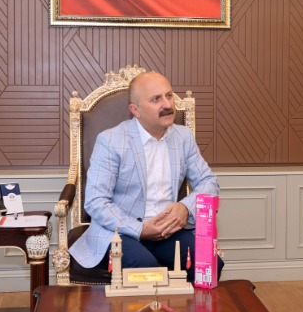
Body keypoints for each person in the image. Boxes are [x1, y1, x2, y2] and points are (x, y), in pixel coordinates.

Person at [69, 71, 223, 282]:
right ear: (135, 110)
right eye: (156, 99)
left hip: (168, 231)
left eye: (169, 96)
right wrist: (140, 229)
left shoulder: (183, 137)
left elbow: (209, 183)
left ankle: (185, 306)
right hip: (121, 231)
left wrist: (185, 208)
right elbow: (96, 201)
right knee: (145, 269)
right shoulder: (111, 141)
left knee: (209, 263)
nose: (167, 104)